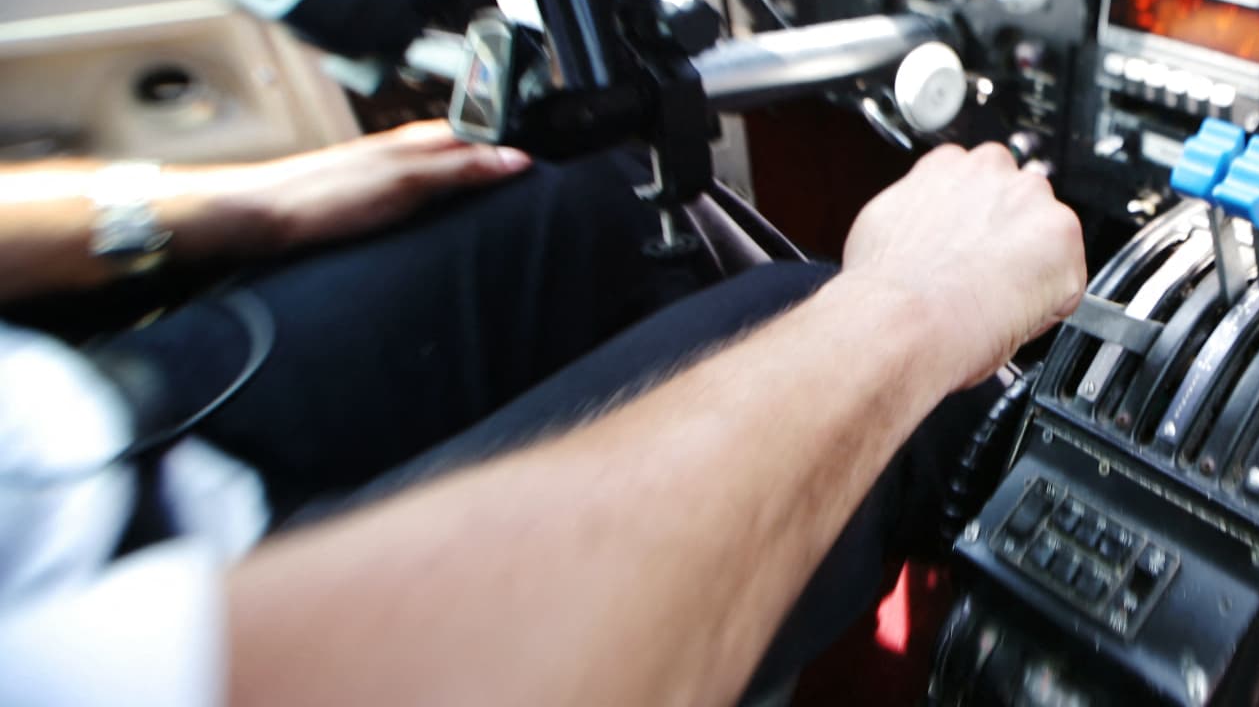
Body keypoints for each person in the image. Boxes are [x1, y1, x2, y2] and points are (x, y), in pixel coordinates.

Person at [0, 122, 1086, 706]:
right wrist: (910, 309)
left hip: (90, 406)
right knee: (811, 327)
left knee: (589, 193)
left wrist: (249, 204)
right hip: (109, 632)